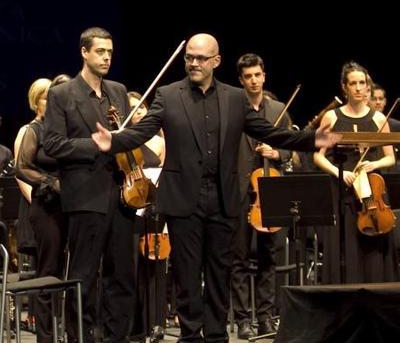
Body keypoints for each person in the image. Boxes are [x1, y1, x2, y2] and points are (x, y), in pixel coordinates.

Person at [92, 34, 339, 342]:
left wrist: (310, 139)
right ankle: (191, 335)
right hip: (182, 199)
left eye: (200, 58)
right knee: (186, 274)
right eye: (189, 58)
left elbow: (270, 133)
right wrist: (113, 141)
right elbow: (143, 131)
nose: (193, 63)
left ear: (216, 61)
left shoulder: (235, 98)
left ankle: (217, 335)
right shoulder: (168, 95)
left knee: (220, 273)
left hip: (223, 199)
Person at [42, 27, 136, 342]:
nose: (107, 57)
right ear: (84, 52)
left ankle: (116, 337)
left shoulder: (118, 91)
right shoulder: (62, 94)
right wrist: (95, 145)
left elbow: (123, 136)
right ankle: (80, 336)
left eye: (110, 52)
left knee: (121, 275)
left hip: (122, 193)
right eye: (100, 51)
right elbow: (52, 144)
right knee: (83, 276)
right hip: (85, 196)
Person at [314, 62, 397, 284]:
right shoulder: (331, 117)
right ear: (345, 87)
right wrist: (339, 173)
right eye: (353, 83)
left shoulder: (379, 119)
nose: (359, 88)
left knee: (372, 248)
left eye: (362, 83)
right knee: (345, 244)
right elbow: (318, 156)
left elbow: (391, 157)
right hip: (343, 189)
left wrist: (374, 163)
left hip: (372, 191)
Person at [228, 55, 290, 338]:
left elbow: (291, 148)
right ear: (241, 80)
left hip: (269, 189)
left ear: (264, 76)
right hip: (239, 191)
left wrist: (276, 152)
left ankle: (265, 316)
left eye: (257, 75)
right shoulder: (232, 107)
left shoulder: (278, 109)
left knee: (269, 255)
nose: (253, 80)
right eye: (248, 76)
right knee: (238, 256)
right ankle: (242, 318)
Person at [15, 75, 68, 343]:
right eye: (50, 97)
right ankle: (46, 336)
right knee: (48, 270)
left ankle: (72, 331)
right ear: (38, 102)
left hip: (71, 205)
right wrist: (51, 182)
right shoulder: (33, 129)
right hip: (46, 206)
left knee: (71, 272)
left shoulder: (66, 129)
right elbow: (21, 167)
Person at [126, 90, 168, 342]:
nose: (138, 111)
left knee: (156, 265)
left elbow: (166, 173)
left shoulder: (160, 141)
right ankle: (134, 325)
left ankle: (157, 322)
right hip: (131, 204)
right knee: (130, 265)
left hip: (154, 207)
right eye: (132, 107)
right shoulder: (126, 139)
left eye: (141, 106)